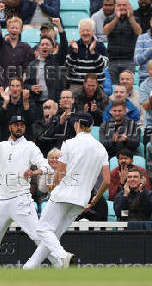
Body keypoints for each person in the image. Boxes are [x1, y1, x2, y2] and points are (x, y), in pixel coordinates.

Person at [23, 111, 110, 269]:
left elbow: (60, 173)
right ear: (90, 127)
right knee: (52, 236)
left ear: (77, 125)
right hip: (81, 201)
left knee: (42, 229)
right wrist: (94, 201)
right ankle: (28, 268)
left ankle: (64, 256)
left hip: (62, 195)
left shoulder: (69, 143)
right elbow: (107, 181)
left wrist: (52, 186)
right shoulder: (101, 149)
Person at [0, 115, 51, 267]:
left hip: (21, 199)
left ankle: (61, 263)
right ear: (10, 127)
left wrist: (36, 172)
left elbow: (45, 164)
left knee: (38, 237)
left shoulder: (30, 147)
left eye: (22, 124)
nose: (19, 127)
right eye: (16, 124)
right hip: (1, 202)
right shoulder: (2, 146)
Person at [25, 18, 67, 106]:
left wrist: (59, 27)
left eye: (47, 45)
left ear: (53, 48)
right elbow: (26, 84)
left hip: (54, 102)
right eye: (42, 45)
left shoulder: (57, 60)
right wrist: (31, 88)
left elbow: (64, 46)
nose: (45, 47)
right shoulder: (32, 64)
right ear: (39, 48)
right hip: (37, 103)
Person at [104, 0, 142, 84]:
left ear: (129, 6)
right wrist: (116, 18)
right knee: (113, 88)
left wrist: (131, 17)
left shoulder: (135, 19)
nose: (122, 7)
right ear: (115, 6)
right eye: (119, 5)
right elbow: (106, 31)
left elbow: (139, 32)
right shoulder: (109, 19)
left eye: (124, 5)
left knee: (128, 86)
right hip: (112, 61)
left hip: (129, 60)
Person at [65, 18, 108, 93]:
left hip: (96, 86)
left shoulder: (100, 45)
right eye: (82, 30)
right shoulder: (73, 45)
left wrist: (93, 53)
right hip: (76, 85)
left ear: (93, 32)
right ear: (79, 32)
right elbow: (68, 66)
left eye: (88, 30)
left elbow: (104, 65)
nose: (85, 33)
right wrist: (75, 53)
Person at [0, 14, 35, 87]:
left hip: (19, 86)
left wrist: (22, 83)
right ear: (8, 29)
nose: (14, 30)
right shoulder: (1, 44)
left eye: (17, 28)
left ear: (21, 30)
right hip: (3, 84)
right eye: (12, 28)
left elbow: (28, 66)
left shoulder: (26, 47)